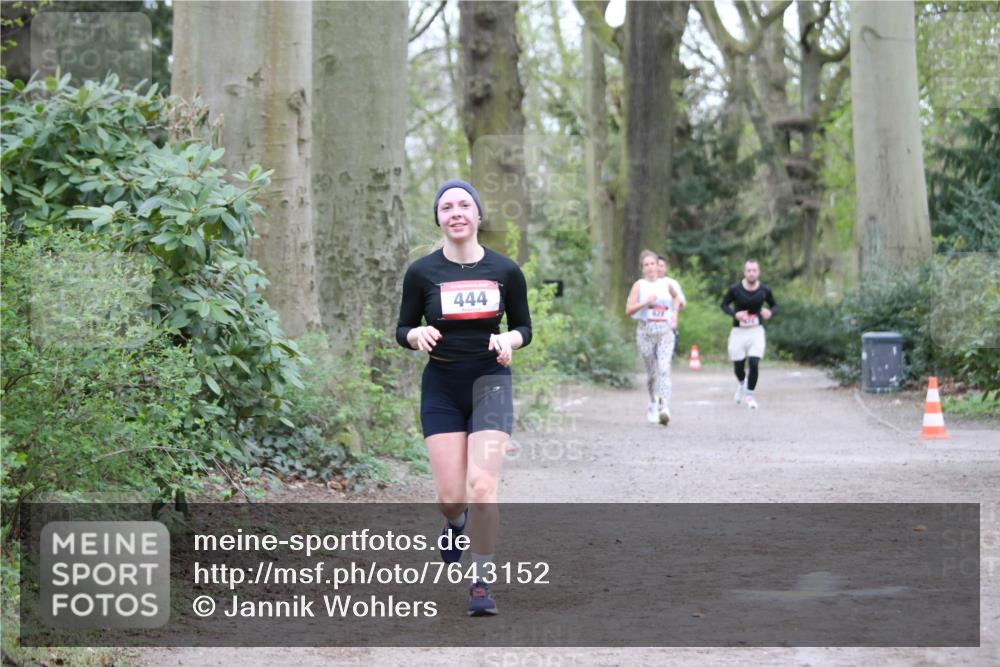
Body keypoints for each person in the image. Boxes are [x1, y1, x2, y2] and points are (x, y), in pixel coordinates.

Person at [396, 178, 531, 617]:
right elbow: (402, 328)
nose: (456, 212)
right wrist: (416, 333)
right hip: (442, 388)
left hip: (491, 382)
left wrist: (509, 338)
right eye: (447, 206)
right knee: (453, 497)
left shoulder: (506, 271)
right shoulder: (422, 272)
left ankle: (481, 581)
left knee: (483, 486)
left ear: (477, 215)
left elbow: (524, 327)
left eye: (463, 205)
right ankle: (455, 524)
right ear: (438, 217)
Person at [626, 250, 679, 425]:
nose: (650, 267)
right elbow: (629, 310)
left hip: (664, 332)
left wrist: (674, 315)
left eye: (652, 264)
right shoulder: (639, 285)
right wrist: (645, 302)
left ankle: (664, 406)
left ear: (658, 266)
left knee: (664, 368)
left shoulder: (666, 284)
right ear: (642, 269)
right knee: (652, 374)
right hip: (645, 332)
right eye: (646, 265)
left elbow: (676, 297)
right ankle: (652, 402)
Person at [720, 259, 778, 410]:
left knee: (754, 362)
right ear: (744, 272)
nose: (751, 273)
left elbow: (775, 305)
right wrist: (735, 314)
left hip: (756, 331)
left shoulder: (764, 290)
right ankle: (741, 383)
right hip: (738, 331)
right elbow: (724, 305)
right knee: (738, 366)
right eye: (749, 271)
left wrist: (770, 312)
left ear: (758, 272)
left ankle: (750, 395)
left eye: (754, 270)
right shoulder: (735, 289)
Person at [656, 255, 686, 348]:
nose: (659, 268)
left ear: (666, 268)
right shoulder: (644, 283)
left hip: (667, 324)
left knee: (664, 358)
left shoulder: (672, 283)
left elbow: (682, 303)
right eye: (657, 265)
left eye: (662, 266)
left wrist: (674, 313)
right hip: (649, 326)